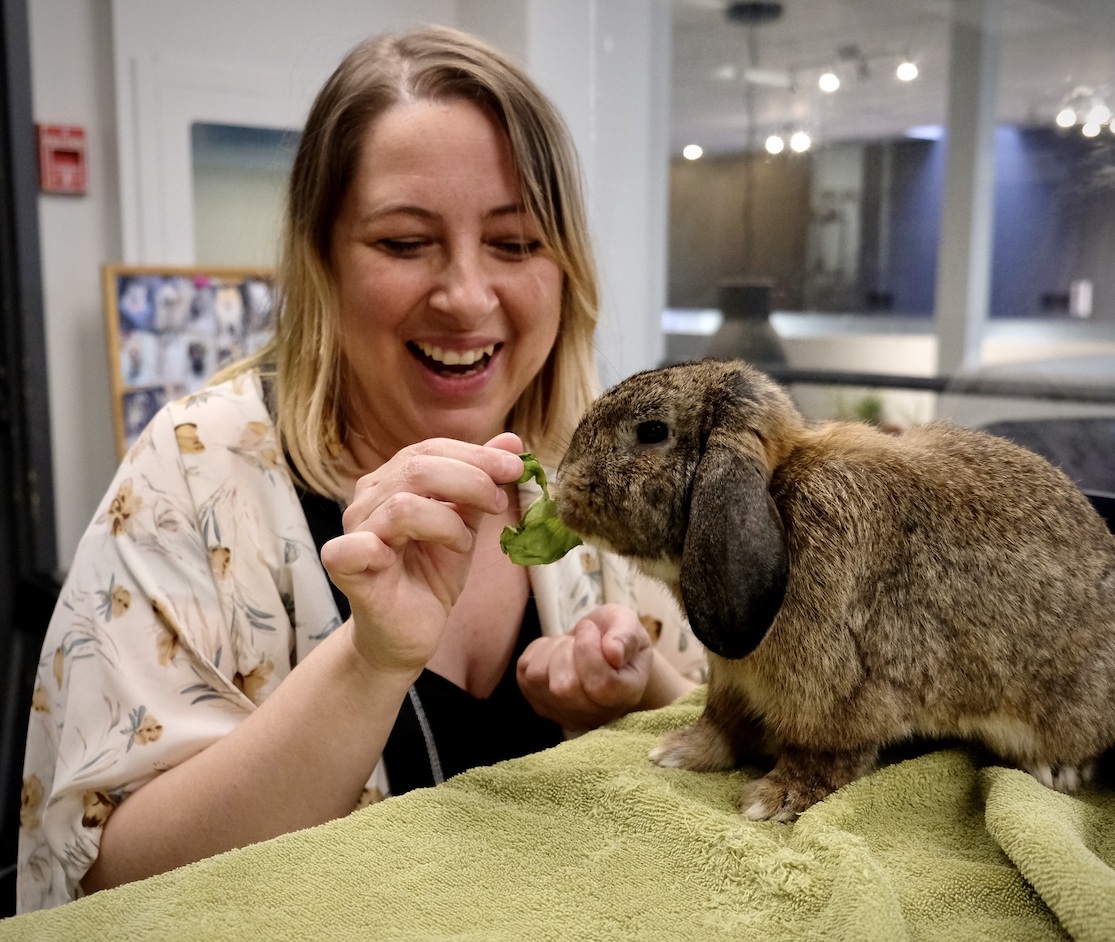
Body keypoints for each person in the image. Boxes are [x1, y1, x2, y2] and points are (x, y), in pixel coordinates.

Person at [17, 25, 705, 912]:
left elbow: (741, 755)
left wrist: (640, 698)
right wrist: (369, 661)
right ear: (323, 260)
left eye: (516, 243)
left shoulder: (608, 473)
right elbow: (106, 883)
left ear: (567, 267)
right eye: (405, 242)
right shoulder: (197, 471)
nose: (464, 296)